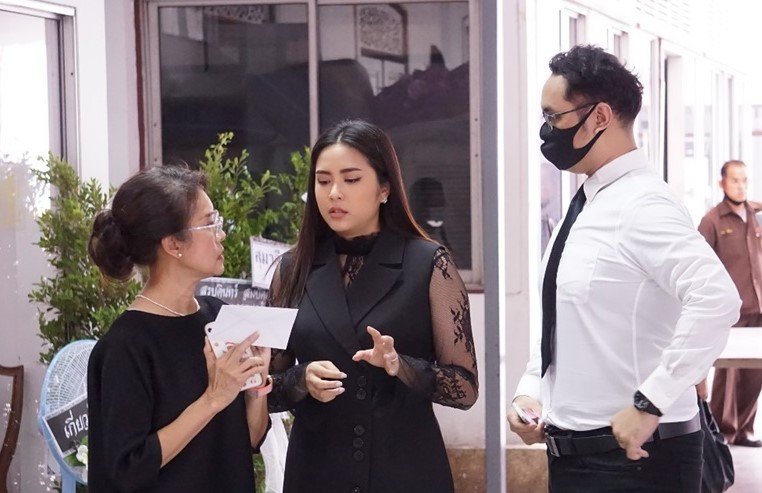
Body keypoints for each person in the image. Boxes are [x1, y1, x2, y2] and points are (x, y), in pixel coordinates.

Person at [507, 45, 741, 492]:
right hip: (575, 458)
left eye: (554, 117)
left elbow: (716, 299)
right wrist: (531, 390)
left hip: (637, 463)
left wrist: (651, 402)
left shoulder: (644, 204)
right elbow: (563, 322)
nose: (546, 131)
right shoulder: (587, 203)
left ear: (599, 117)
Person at [267, 119, 478, 493]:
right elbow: (266, 388)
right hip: (317, 471)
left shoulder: (429, 263)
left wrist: (400, 365)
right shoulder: (292, 268)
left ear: (384, 188)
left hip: (403, 470)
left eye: (351, 180)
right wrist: (301, 379)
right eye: (323, 181)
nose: (334, 193)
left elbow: (465, 389)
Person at [87, 166, 271, 492]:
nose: (221, 234)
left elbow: (248, 441)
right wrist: (213, 398)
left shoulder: (219, 316)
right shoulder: (126, 346)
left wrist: (256, 385)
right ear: (173, 244)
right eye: (210, 223)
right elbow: (127, 468)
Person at [698, 159, 762, 447]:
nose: (740, 185)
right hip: (731, 309)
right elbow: (700, 265)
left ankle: (745, 430)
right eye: (735, 180)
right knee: (729, 374)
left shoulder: (756, 215)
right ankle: (723, 433)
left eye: (744, 180)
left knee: (754, 375)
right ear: (722, 183)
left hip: (758, 306)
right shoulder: (712, 220)